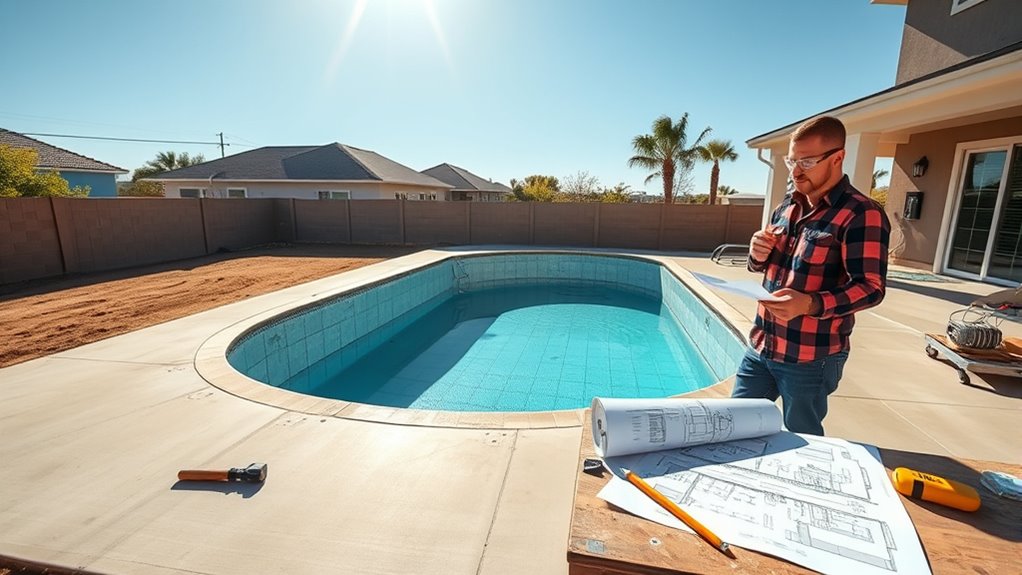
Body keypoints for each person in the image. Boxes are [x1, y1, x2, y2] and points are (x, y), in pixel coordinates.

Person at [733, 116, 890, 435]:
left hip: (810, 358)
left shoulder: (862, 214)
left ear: (837, 158)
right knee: (733, 424)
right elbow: (766, 266)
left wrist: (809, 304)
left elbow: (871, 288)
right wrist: (756, 253)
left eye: (807, 161)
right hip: (762, 345)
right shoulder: (787, 207)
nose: (795, 170)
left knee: (802, 443)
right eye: (792, 160)